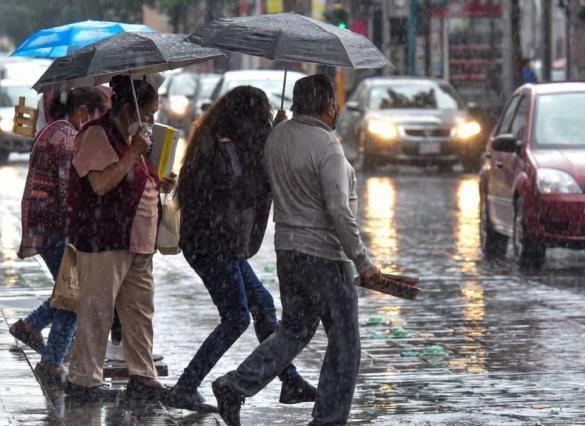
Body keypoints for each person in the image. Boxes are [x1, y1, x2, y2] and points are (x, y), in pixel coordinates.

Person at [211, 74, 381, 426]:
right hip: (325, 256)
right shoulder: (327, 145)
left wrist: (278, 130)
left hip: (288, 253)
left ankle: (235, 385)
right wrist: (362, 261)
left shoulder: (277, 138)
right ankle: (328, 419)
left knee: (293, 331)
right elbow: (338, 210)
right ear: (329, 106)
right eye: (334, 105)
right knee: (345, 344)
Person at [163, 86, 316, 412]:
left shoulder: (224, 143)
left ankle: (289, 380)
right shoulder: (221, 148)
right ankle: (186, 386)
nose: (262, 122)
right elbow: (243, 192)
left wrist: (271, 138)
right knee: (235, 318)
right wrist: (270, 145)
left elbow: (245, 185)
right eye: (260, 116)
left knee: (261, 303)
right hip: (211, 246)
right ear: (246, 118)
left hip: (220, 244)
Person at [65, 74, 175, 402]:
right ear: (129, 108)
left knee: (139, 313)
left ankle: (143, 375)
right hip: (104, 238)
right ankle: (84, 380)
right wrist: (134, 152)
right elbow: (100, 184)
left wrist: (159, 183)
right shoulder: (97, 134)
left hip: (139, 242)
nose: (153, 119)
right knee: (97, 311)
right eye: (149, 112)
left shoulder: (134, 137)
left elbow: (135, 178)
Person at [11, 88, 108, 385]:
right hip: (56, 228)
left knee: (69, 291)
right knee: (74, 295)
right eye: (95, 117)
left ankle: (31, 326)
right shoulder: (67, 139)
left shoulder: (53, 130)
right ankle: (51, 361)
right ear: (81, 112)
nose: (96, 125)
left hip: (45, 225)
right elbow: (70, 193)